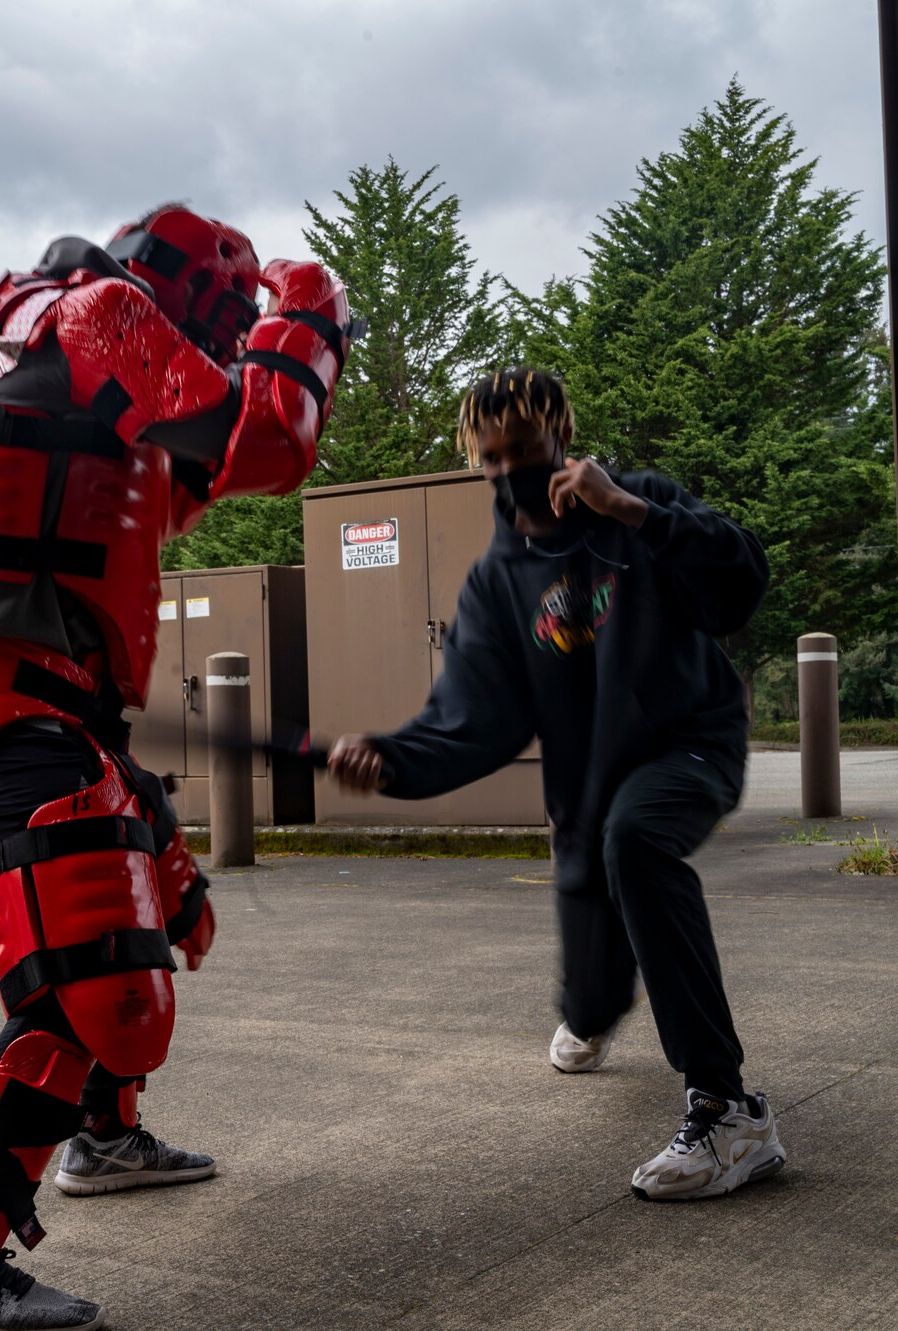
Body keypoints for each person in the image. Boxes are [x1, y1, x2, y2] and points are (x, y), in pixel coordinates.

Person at [0, 205, 350, 1330]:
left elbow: (170, 485)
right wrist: (307, 310)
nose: (217, 351)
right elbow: (266, 445)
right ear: (181, 294)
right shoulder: (102, 311)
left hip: (48, 700)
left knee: (166, 899)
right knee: (87, 984)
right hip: (1, 703)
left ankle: (105, 1137)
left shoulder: (58, 346)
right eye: (218, 328)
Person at [329, 367, 786, 1203]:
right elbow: (473, 720)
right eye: (491, 457)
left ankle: (729, 1110)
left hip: (690, 745)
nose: (510, 470)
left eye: (526, 450)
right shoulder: (497, 582)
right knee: (592, 992)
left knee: (637, 840)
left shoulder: (638, 503)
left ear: (562, 440)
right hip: (586, 788)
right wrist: (389, 759)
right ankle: (592, 1010)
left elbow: (741, 583)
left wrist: (630, 511)